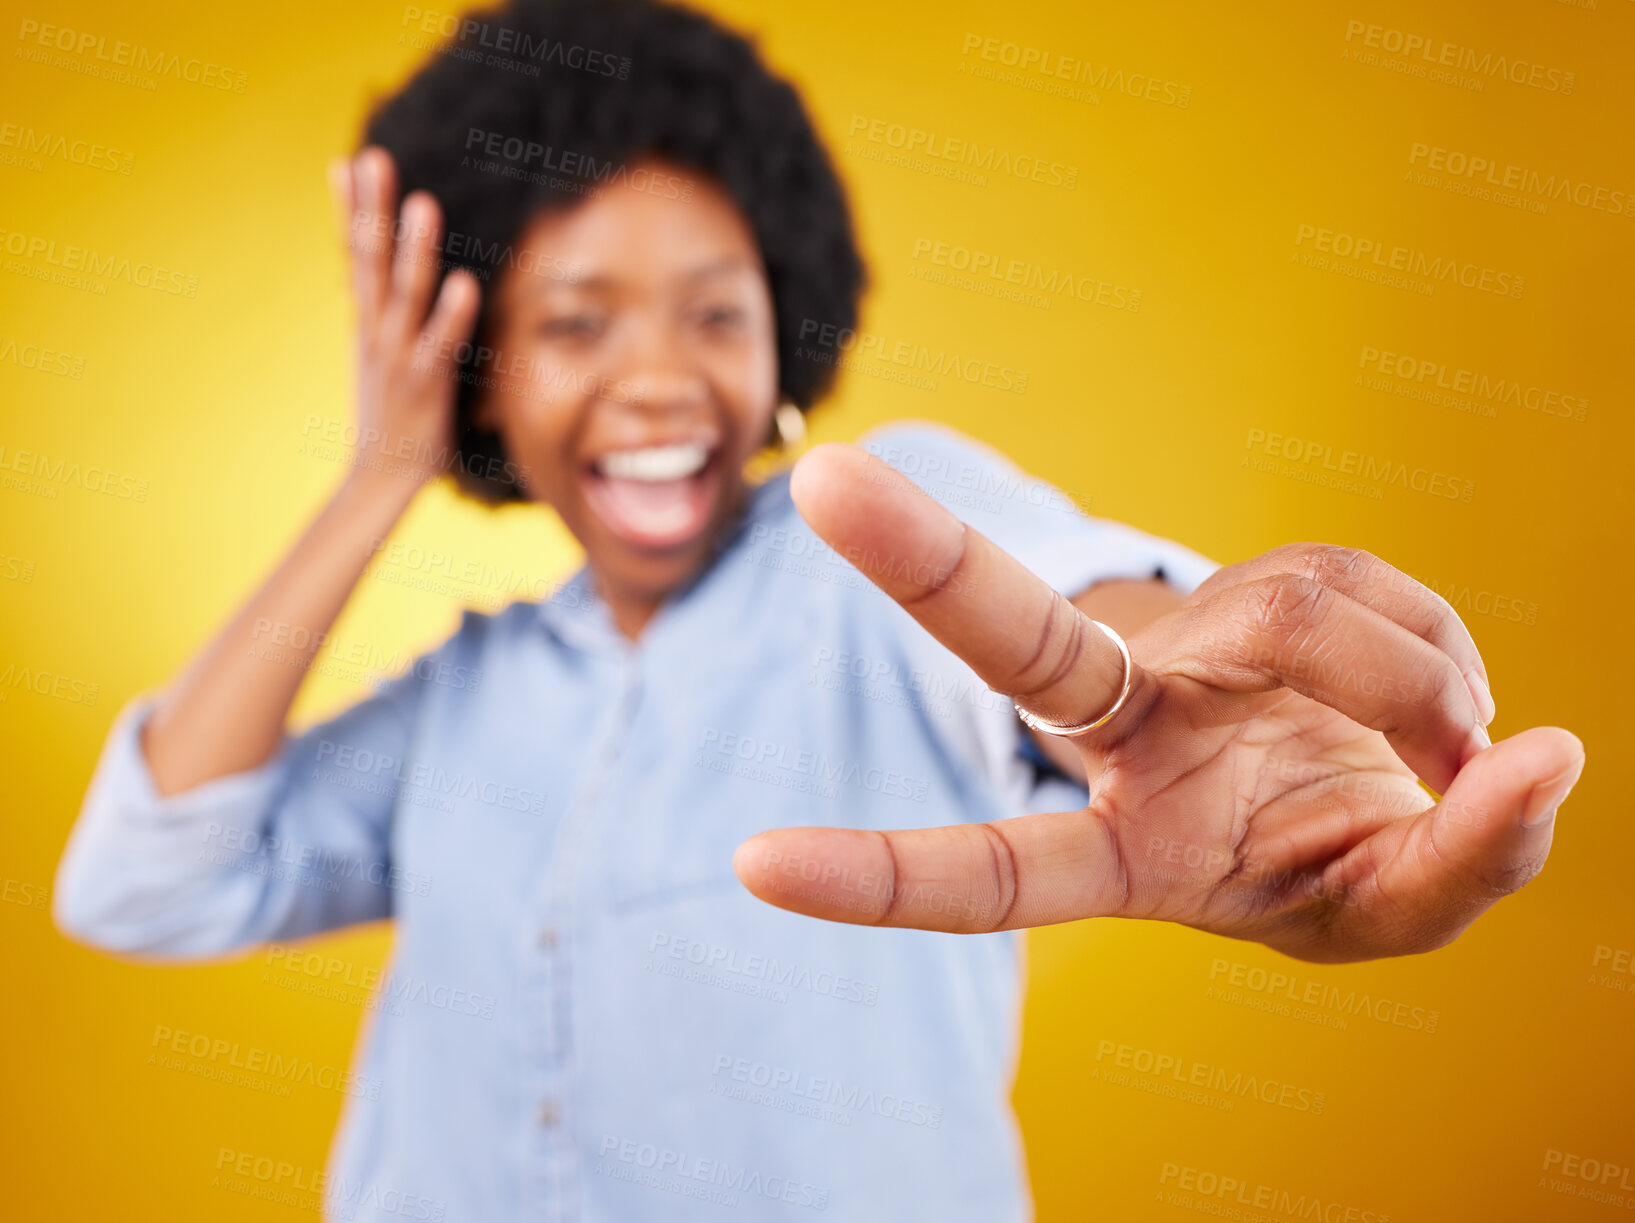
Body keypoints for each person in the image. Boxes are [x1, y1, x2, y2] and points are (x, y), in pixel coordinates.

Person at [53, 0, 1584, 1219]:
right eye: (573, 324)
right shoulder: (464, 696)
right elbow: (143, 883)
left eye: (715, 312)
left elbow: (1047, 602)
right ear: (481, 385)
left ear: (784, 336)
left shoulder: (864, 545)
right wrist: (372, 476)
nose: (656, 375)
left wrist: (1165, 663)